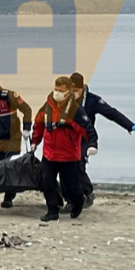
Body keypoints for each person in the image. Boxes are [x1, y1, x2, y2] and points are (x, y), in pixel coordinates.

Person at [68, 72, 135, 209]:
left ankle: (87, 192)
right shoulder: (64, 99)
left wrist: (130, 125)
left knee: (78, 166)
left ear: (82, 89)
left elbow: (111, 113)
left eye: (76, 91)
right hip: (67, 138)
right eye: (71, 90)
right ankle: (71, 200)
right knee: (65, 169)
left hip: (85, 139)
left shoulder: (93, 101)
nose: (73, 94)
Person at [30, 76, 98, 222]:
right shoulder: (47, 107)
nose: (57, 93)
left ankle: (78, 202)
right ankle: (52, 211)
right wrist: (35, 141)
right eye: (55, 89)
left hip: (69, 156)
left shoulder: (75, 111)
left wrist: (92, 144)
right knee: (47, 182)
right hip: (49, 154)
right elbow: (39, 124)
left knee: (71, 186)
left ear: (68, 92)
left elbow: (88, 129)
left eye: (60, 91)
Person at [0, 72, 34, 208]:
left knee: (11, 168)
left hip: (12, 138)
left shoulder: (10, 96)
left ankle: (8, 197)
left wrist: (27, 128)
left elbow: (27, 109)